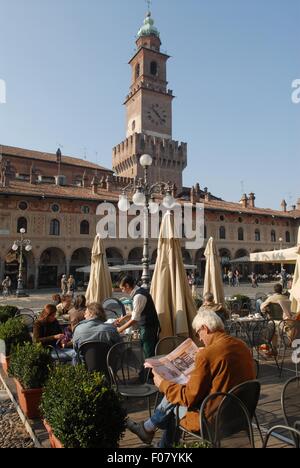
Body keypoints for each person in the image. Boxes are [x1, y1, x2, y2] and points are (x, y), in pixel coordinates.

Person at [126, 310, 255, 448]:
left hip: (214, 420)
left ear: (205, 328)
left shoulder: (207, 354)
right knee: (175, 400)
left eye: (198, 333)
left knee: (174, 407)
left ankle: (153, 433)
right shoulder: (241, 345)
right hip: (242, 414)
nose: (199, 338)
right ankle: (152, 431)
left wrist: (162, 384)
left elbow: (189, 397)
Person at [115, 276, 161, 359]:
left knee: (148, 354)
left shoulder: (138, 296)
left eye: (122, 288)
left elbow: (135, 319)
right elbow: (137, 311)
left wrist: (120, 329)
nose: (122, 291)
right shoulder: (139, 292)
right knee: (146, 352)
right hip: (148, 326)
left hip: (149, 328)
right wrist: (124, 318)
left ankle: (148, 371)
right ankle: (146, 370)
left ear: (127, 286)